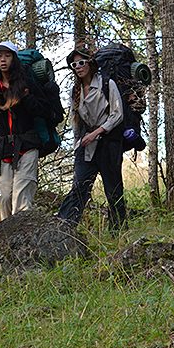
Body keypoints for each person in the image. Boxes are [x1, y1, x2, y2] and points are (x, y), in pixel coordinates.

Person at [56, 41, 127, 231]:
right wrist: (78, 142)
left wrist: (97, 132)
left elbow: (117, 114)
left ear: (90, 63)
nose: (78, 67)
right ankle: (65, 227)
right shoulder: (76, 91)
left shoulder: (106, 83)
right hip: (86, 146)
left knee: (113, 188)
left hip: (108, 142)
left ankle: (118, 231)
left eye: (81, 63)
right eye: (74, 65)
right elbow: (76, 119)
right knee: (80, 187)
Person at [0, 41, 50, 220]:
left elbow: (46, 110)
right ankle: (5, 239)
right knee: (5, 197)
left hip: (27, 145)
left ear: (14, 58)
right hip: (5, 149)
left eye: (7, 55)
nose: (2, 60)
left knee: (22, 196)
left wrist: (25, 98)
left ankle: (24, 240)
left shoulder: (27, 82)